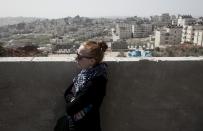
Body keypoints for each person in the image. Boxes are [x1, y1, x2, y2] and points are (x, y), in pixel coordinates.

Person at [55, 41, 108, 131]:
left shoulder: (97, 82)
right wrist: (74, 99)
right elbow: (67, 93)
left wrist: (72, 100)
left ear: (92, 61)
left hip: (86, 126)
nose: (76, 58)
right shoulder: (84, 74)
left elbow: (70, 109)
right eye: (77, 55)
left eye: (79, 57)